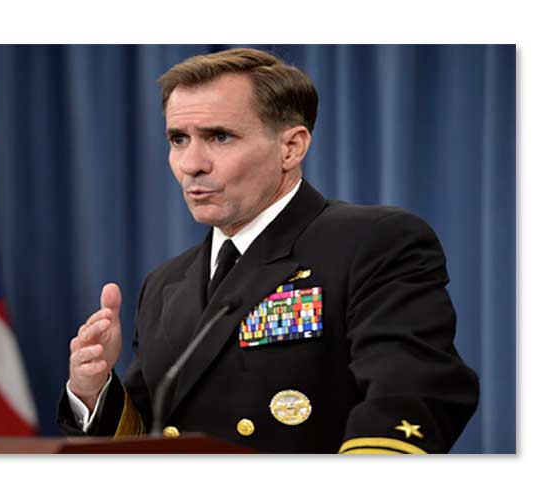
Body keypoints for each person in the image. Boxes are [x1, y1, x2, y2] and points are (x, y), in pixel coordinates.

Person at [56, 48, 479, 454]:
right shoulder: (165, 283)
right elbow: (151, 438)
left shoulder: (372, 243)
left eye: (219, 137)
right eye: (179, 139)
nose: (191, 164)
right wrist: (93, 391)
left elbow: (411, 391)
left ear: (290, 147)